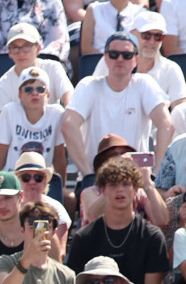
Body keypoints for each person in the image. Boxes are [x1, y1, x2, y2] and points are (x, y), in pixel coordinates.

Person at [61, 32, 172, 179]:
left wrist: (155, 173)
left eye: (126, 55)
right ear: (105, 57)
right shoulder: (88, 85)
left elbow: (167, 125)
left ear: (136, 59)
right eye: (114, 54)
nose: (120, 59)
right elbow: (68, 125)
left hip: (134, 179)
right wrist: (88, 174)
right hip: (96, 179)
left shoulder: (144, 83)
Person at [66, 157, 170, 284]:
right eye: (113, 185)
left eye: (126, 184)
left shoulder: (151, 236)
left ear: (135, 189)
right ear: (103, 190)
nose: (120, 190)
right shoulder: (84, 237)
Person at [92, 10, 186, 111]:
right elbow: (93, 97)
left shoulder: (171, 68)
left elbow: (181, 110)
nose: (152, 42)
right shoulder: (111, 60)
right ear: (133, 34)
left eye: (158, 36)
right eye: (146, 35)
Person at [0, 66, 64, 174]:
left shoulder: (57, 114)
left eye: (40, 89)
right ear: (20, 95)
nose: (35, 93)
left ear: (48, 94)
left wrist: (60, 188)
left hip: (42, 180)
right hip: (13, 178)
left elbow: (59, 156)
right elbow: (0, 153)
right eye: (28, 89)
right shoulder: (9, 111)